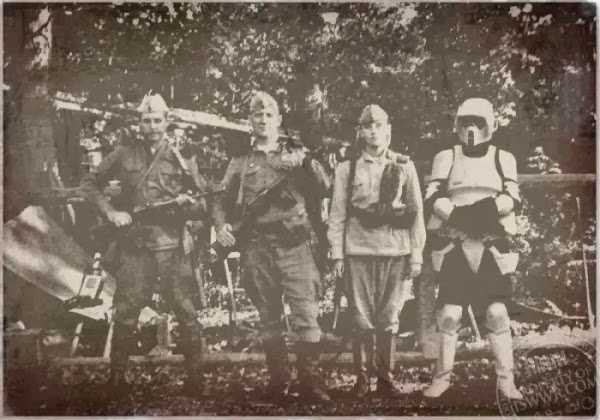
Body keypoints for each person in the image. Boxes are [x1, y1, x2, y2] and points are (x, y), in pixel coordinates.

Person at [81, 93, 210, 397]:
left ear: (166, 122)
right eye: (146, 120)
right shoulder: (124, 154)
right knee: (126, 312)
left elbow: (203, 203)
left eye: (156, 120)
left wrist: (187, 205)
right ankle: (117, 380)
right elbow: (89, 184)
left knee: (186, 312)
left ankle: (195, 380)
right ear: (138, 123)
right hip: (135, 247)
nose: (151, 126)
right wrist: (111, 213)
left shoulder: (181, 157)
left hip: (171, 247)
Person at [212, 91, 332, 403]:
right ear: (250, 122)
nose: (263, 120)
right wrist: (221, 226)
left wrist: (306, 162)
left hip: (296, 245)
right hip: (258, 247)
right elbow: (220, 200)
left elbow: (324, 187)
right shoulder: (241, 161)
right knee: (268, 317)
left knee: (306, 314)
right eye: (257, 115)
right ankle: (279, 382)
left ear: (278, 120)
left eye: (268, 115)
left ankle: (310, 383)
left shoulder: (297, 154)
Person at [422, 98, 523, 400]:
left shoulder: (503, 157)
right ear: (457, 125)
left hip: (491, 239)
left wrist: (485, 212)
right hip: (456, 239)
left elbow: (512, 196)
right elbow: (433, 195)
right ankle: (441, 379)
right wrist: (457, 216)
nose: (471, 129)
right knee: (450, 314)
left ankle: (506, 381)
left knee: (496, 313)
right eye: (466, 122)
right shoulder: (446, 157)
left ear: (490, 125)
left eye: (478, 122)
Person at [327, 104, 426, 396]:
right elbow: (337, 214)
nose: (373, 131)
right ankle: (361, 380)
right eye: (367, 126)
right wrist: (337, 254)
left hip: (395, 252)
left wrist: (416, 255)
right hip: (358, 251)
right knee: (360, 317)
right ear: (360, 132)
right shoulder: (347, 169)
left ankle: (385, 379)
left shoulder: (405, 166)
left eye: (378, 126)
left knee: (390, 317)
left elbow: (416, 214)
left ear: (388, 130)